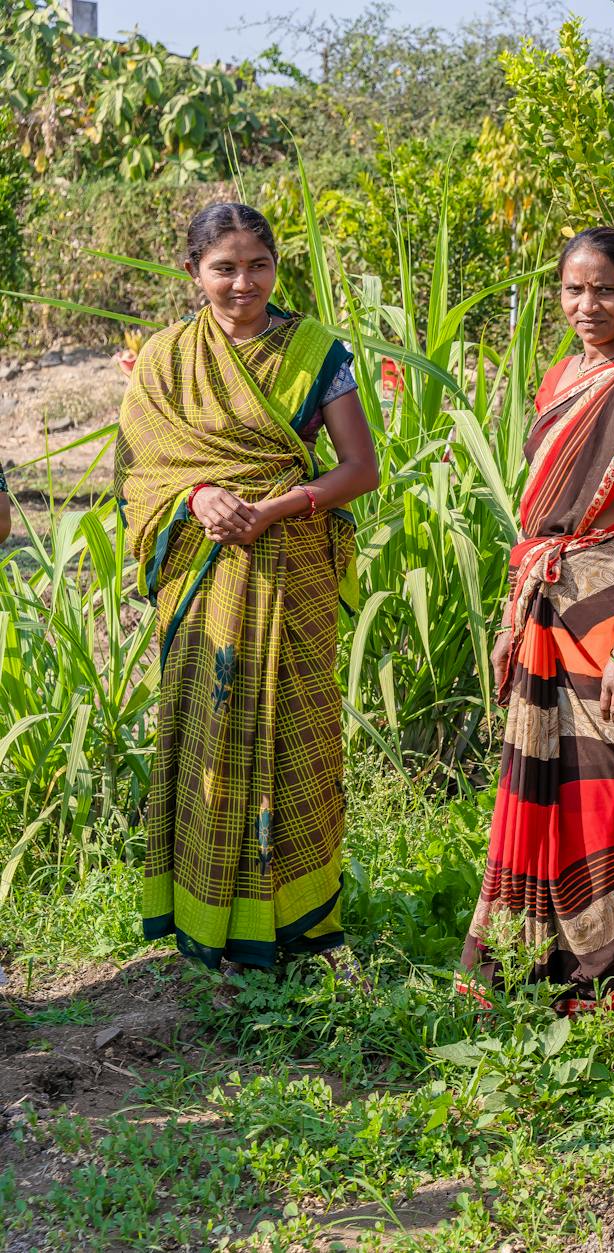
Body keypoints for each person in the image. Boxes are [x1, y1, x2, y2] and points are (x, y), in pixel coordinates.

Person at [115, 202, 380, 971]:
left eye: (257, 265)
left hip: (290, 568)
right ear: (194, 273)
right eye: (224, 268)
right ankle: (213, 930)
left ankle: (307, 930)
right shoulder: (166, 360)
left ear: (276, 266)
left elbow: (359, 468)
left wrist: (273, 508)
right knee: (209, 741)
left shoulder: (313, 352)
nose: (243, 283)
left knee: (300, 741)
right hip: (204, 584)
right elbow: (143, 471)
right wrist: (199, 496)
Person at [458, 227, 614, 1021]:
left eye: (606, 291)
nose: (587, 306)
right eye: (573, 291)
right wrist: (508, 621)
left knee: (612, 792)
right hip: (547, 608)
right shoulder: (560, 377)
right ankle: (538, 966)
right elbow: (539, 526)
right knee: (546, 786)